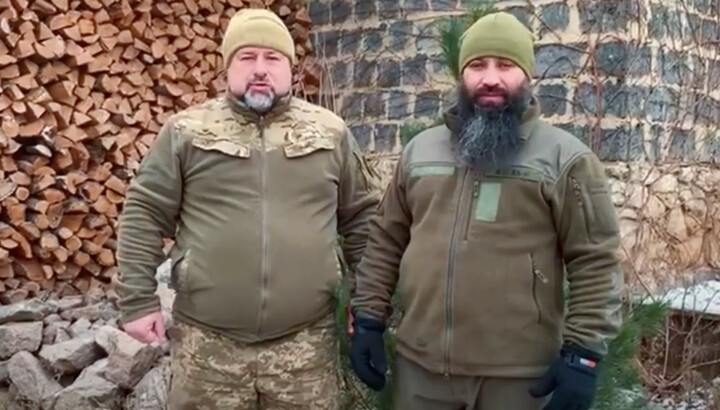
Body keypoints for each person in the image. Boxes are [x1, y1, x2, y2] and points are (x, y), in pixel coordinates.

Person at [348, 11, 623, 410]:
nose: (490, 78)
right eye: (477, 65)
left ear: (527, 75)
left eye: (505, 65)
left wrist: (583, 354)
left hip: (519, 379)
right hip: (421, 373)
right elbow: (386, 241)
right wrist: (369, 319)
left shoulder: (566, 159)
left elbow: (595, 260)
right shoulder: (419, 151)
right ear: (462, 75)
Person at [113, 8, 381, 409]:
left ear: (290, 68)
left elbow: (363, 218)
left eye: (272, 58)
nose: (260, 69)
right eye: (246, 57)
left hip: (305, 347)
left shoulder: (330, 133)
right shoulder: (187, 132)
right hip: (208, 348)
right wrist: (137, 300)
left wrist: (365, 301)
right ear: (227, 67)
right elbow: (145, 212)